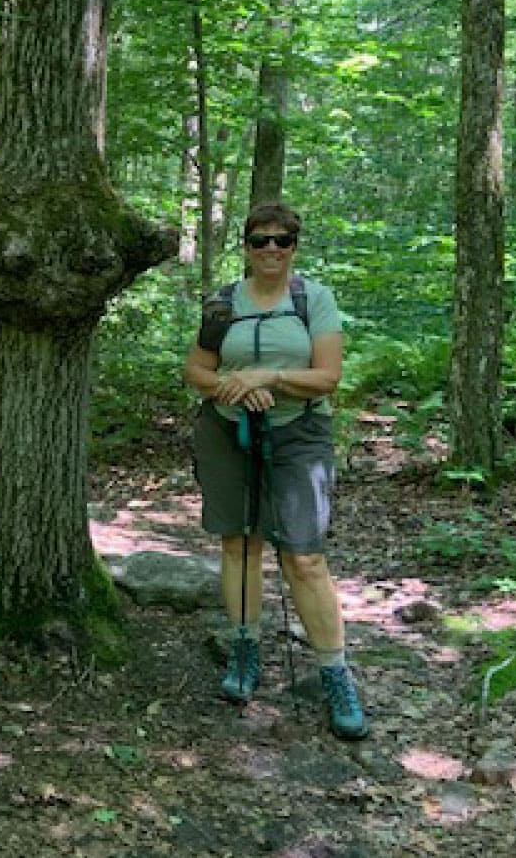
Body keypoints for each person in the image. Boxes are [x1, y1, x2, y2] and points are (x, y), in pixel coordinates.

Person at [183, 202, 368, 740]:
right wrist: (233, 386)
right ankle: (244, 649)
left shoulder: (315, 300)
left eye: (281, 240)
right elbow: (197, 368)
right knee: (239, 542)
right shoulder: (223, 303)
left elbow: (328, 376)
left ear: (294, 247)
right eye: (260, 240)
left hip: (298, 434)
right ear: (245, 245)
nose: (270, 250)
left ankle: (335, 672)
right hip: (227, 431)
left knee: (304, 557)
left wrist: (272, 377)